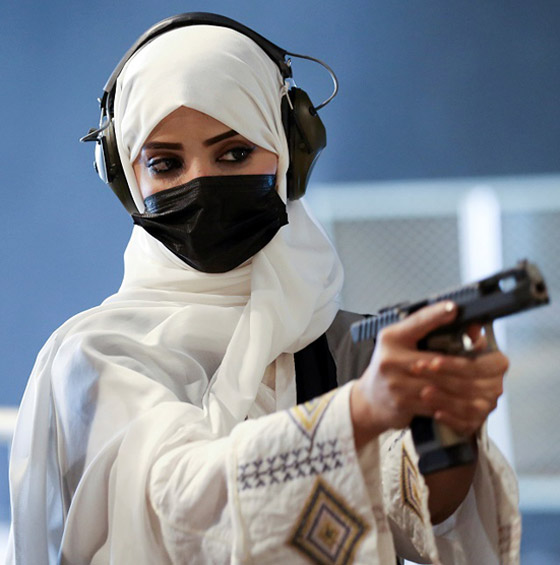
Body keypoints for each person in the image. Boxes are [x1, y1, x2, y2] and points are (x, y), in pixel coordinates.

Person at [7, 13, 520, 564]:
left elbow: (413, 511)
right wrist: (358, 412)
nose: (200, 182)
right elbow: (172, 505)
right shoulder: (96, 355)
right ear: (128, 180)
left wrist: (449, 424)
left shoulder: (339, 344)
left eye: (234, 153)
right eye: (166, 163)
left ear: (289, 153)